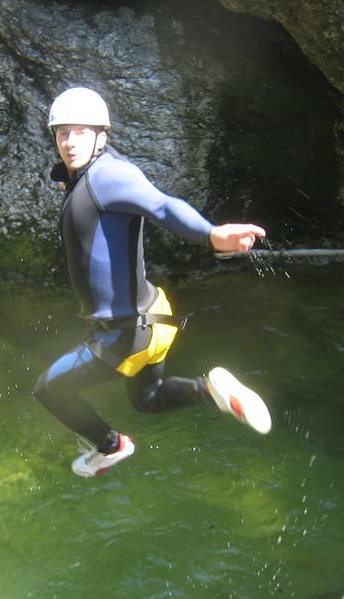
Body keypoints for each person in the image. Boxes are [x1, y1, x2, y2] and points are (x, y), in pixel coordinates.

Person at [34, 86, 272, 478]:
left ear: (102, 136)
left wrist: (213, 235)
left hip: (124, 335)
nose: (69, 141)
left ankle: (111, 447)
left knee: (48, 389)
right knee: (147, 399)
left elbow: (162, 205)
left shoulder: (109, 175)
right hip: (152, 319)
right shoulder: (89, 176)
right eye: (62, 133)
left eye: (80, 132)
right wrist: (67, 180)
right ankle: (212, 392)